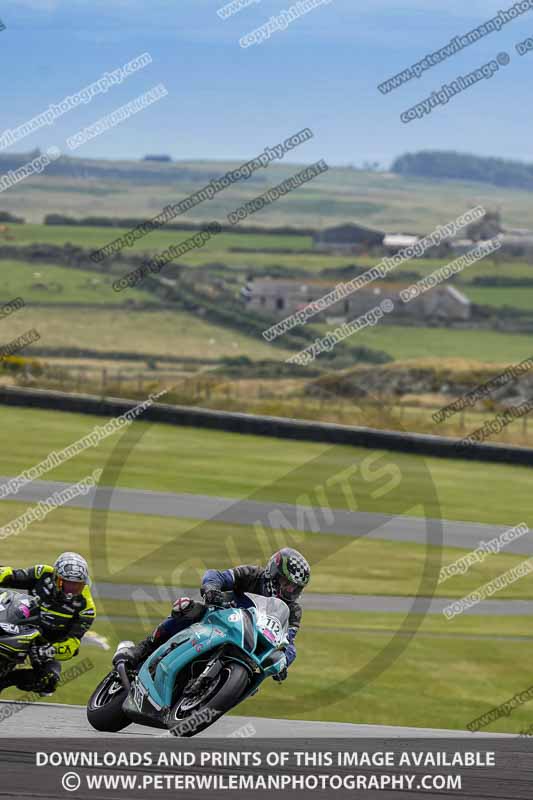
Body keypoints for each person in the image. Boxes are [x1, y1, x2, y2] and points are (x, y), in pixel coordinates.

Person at [115, 547, 311, 681]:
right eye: (287, 583)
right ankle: (143, 648)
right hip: (220, 617)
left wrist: (285, 661)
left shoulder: (293, 610)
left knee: (258, 676)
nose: (290, 591)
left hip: (249, 644)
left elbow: (288, 642)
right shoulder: (252, 575)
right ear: (274, 573)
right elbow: (216, 575)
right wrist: (211, 589)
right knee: (187, 608)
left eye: (295, 588)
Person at [0, 552, 96, 694]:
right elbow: (12, 575)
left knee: (48, 682)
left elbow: (72, 645)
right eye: (67, 584)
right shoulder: (43, 573)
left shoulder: (86, 608)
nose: (71, 591)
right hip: (20, 623)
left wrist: (49, 650)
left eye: (76, 586)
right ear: (56, 578)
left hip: (43, 645)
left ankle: (4, 681)